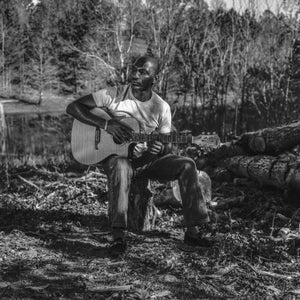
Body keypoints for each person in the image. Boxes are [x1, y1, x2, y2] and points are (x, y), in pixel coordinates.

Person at [66, 55, 213, 257]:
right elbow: (73, 107)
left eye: (143, 72)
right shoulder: (112, 95)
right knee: (122, 165)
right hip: (117, 160)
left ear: (154, 78)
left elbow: (166, 146)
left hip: (146, 163)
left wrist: (159, 149)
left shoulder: (162, 108)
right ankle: (118, 235)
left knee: (187, 164)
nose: (135, 75)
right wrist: (107, 125)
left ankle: (193, 232)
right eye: (135, 69)